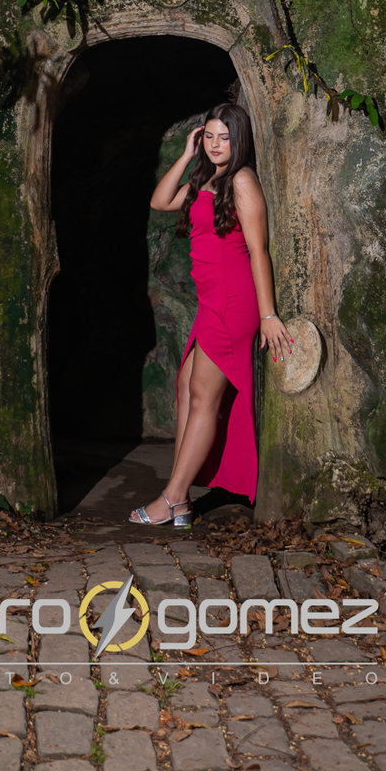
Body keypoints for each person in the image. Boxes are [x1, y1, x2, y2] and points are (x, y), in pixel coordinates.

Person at [129, 100, 294, 528]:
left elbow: (258, 250)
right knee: (186, 388)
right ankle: (178, 493)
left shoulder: (242, 181)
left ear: (239, 141)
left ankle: (173, 498)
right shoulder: (205, 178)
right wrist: (187, 155)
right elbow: (160, 200)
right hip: (210, 302)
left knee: (203, 396)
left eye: (225, 137)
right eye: (209, 136)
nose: (216, 144)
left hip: (233, 302)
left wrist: (268, 315)